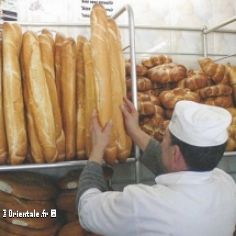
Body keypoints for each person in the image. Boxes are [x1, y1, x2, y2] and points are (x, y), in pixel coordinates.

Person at [75, 98, 236, 236]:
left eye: (164, 139)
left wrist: (97, 150)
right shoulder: (227, 184)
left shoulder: (144, 205)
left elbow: (87, 209)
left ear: (175, 153)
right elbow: (177, 170)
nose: (161, 143)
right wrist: (135, 132)